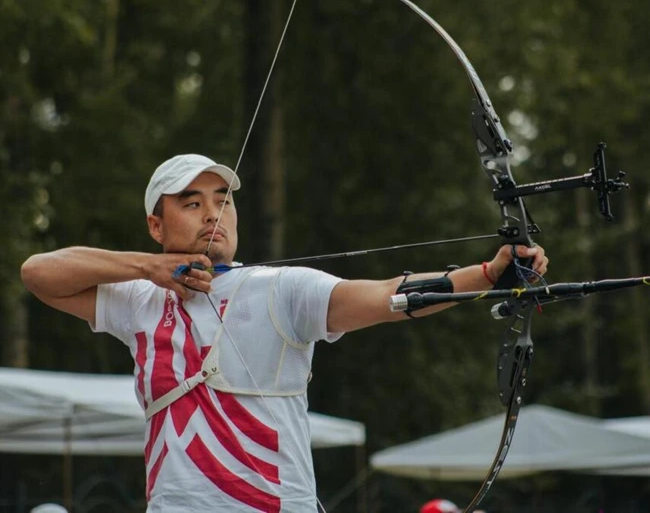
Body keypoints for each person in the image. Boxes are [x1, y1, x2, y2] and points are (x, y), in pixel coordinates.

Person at [21, 153, 548, 513]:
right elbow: (38, 273)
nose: (213, 213)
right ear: (156, 226)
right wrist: (149, 269)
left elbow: (390, 295)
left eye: (223, 199)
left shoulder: (282, 289)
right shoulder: (138, 299)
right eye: (191, 202)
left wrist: (484, 276)